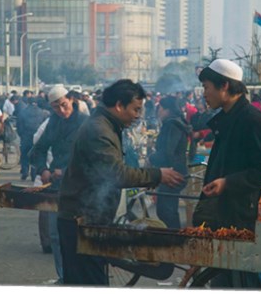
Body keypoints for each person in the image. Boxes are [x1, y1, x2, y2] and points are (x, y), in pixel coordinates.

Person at [57, 79, 184, 286]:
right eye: (135, 109)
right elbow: (115, 174)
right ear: (118, 105)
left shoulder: (108, 125)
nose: (138, 115)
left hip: (91, 217)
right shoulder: (99, 130)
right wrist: (157, 175)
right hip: (80, 220)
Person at [192, 60, 261, 289]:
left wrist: (228, 183)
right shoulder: (228, 118)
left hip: (249, 220)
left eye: (207, 87)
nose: (204, 94)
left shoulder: (253, 120)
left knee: (248, 283)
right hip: (229, 219)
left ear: (224, 86)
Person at [29, 86, 88, 284]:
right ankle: (64, 277)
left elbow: (90, 158)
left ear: (71, 99)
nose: (61, 111)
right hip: (56, 188)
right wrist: (42, 169)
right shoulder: (53, 122)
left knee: (78, 235)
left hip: (80, 189)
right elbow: (38, 150)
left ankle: (79, 278)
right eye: (56, 108)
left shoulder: (85, 123)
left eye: (64, 105)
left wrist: (65, 170)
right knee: (55, 235)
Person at [148, 96, 190, 228]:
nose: (158, 111)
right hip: (176, 170)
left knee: (166, 212)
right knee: (168, 210)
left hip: (173, 173)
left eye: (160, 108)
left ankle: (174, 239)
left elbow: (167, 153)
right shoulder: (176, 123)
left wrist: (151, 158)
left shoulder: (172, 124)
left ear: (167, 110)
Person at [17, 97, 49, 181]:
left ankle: (24, 172)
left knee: (24, 155)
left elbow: (19, 126)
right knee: (35, 156)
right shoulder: (42, 113)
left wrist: (22, 135)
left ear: (28, 102)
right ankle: (34, 174)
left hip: (25, 136)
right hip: (37, 138)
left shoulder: (22, 112)